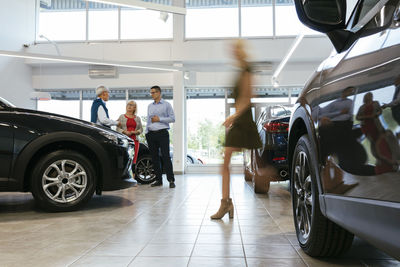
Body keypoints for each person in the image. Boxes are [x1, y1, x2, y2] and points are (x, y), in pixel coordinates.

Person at [210, 39, 262, 220]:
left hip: (243, 121)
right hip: (239, 121)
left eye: (235, 49)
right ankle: (226, 203)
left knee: (230, 164)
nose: (232, 52)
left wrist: (233, 116)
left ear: (241, 51)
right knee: (225, 163)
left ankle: (226, 203)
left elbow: (248, 97)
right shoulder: (241, 70)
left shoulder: (247, 69)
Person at [145, 85, 176, 188]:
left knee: (166, 156)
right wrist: (146, 132)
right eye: (151, 93)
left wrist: (160, 119)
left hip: (162, 133)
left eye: (153, 92)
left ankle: (171, 180)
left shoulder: (166, 105)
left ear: (159, 93)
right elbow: (148, 120)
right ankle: (158, 180)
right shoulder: (150, 106)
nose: (152, 94)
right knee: (154, 158)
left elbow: (172, 118)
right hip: (151, 134)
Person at [117, 100, 143, 164]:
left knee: (134, 159)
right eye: (128, 104)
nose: (129, 106)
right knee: (124, 158)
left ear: (135, 108)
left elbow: (141, 129)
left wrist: (134, 132)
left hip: (135, 141)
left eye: (131, 105)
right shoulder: (121, 117)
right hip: (124, 140)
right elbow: (117, 128)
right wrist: (124, 131)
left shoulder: (138, 118)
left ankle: (133, 173)